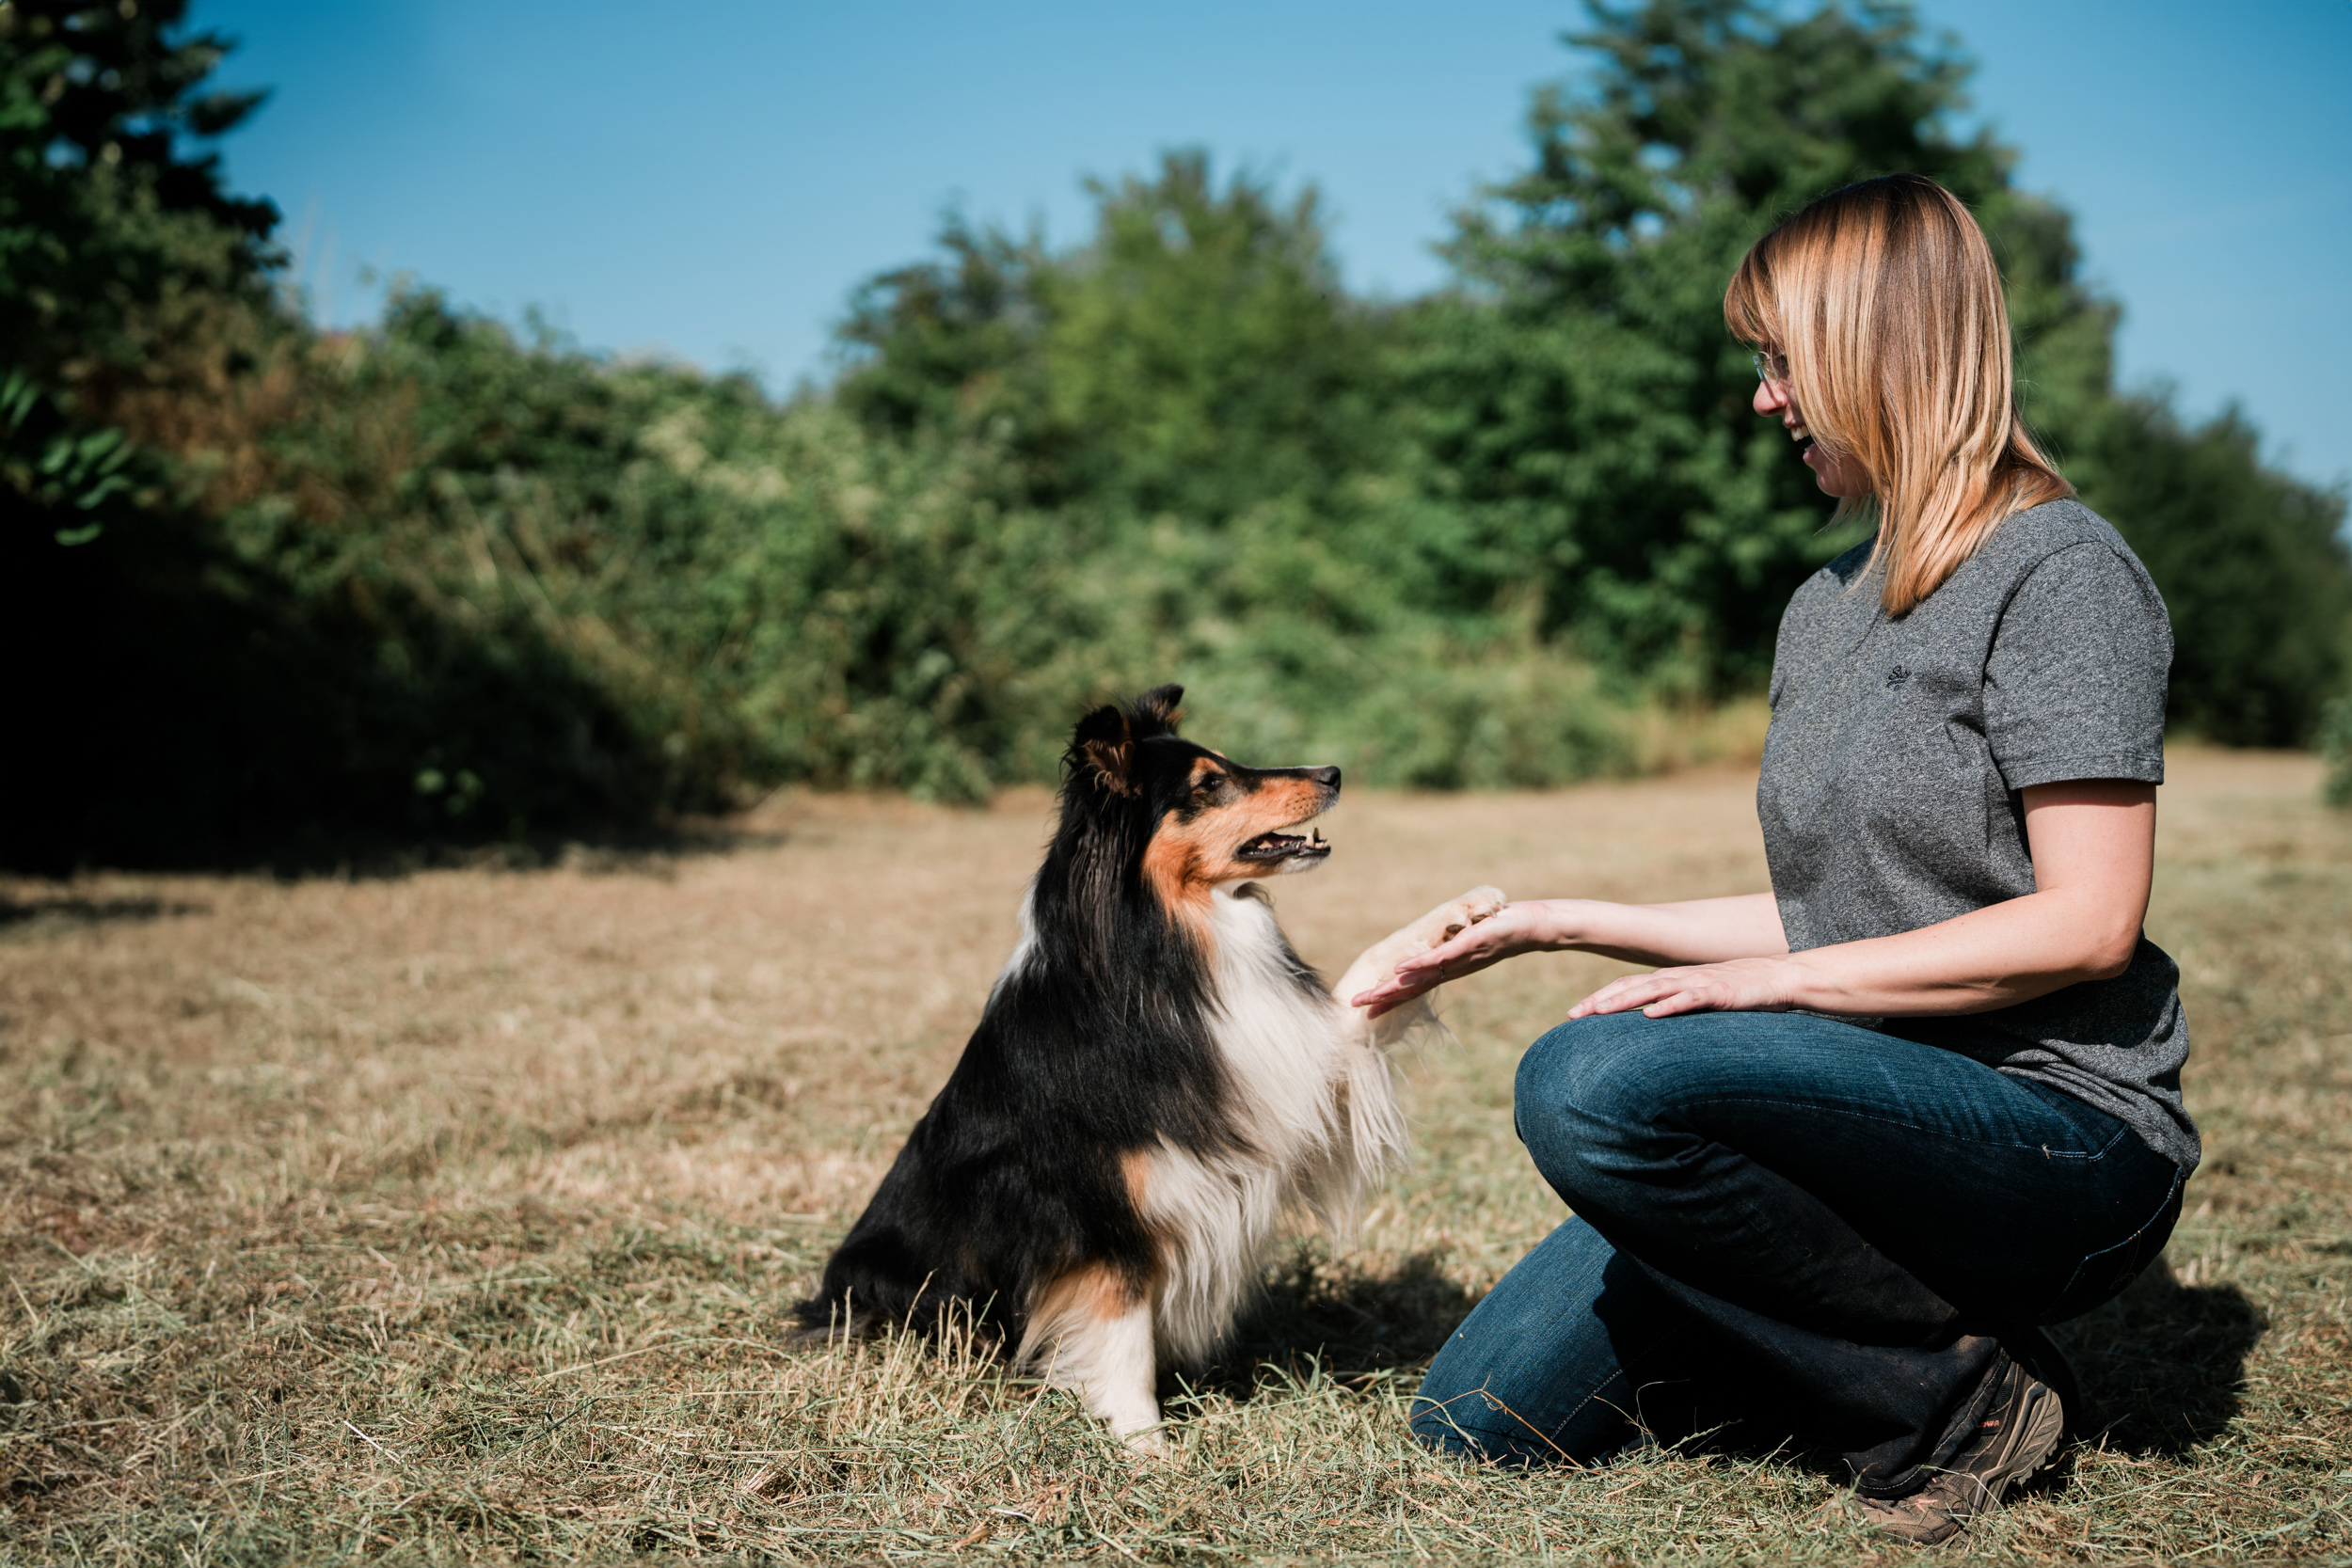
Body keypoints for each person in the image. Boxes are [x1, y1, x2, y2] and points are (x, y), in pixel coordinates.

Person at [1350, 173, 2194, 1546]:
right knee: (1478, 1420)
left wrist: (1768, 995)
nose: (1764, 399)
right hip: (1856, 1108)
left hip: (2055, 1132)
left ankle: (1955, 1396)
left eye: (1780, 361)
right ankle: (1825, 1333)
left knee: (1597, 1082)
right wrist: (1556, 922)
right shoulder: (1822, 608)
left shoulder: (2063, 574)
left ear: (1878, 350)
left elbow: (2087, 927)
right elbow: (1835, 916)